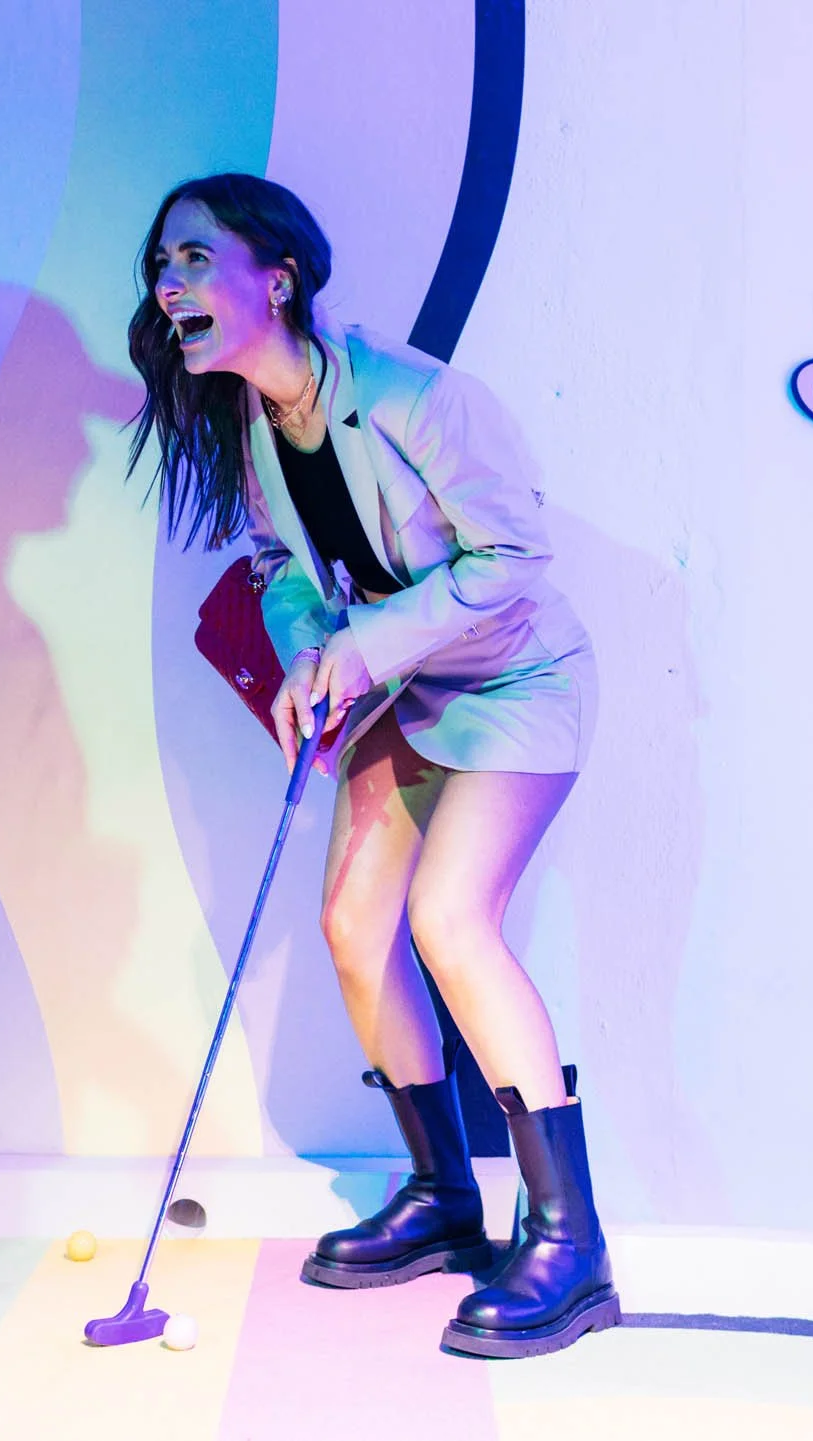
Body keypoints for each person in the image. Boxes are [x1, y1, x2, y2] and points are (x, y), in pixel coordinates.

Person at [127, 173, 616, 1358]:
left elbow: (514, 553)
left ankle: (570, 1241)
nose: (169, 283)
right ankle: (447, 1198)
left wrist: (361, 647)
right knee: (354, 921)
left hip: (515, 682)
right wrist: (308, 657)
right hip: (407, 682)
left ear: (276, 277)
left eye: (195, 257)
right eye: (160, 266)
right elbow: (279, 563)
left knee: (452, 921)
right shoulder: (256, 427)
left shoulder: (416, 395)